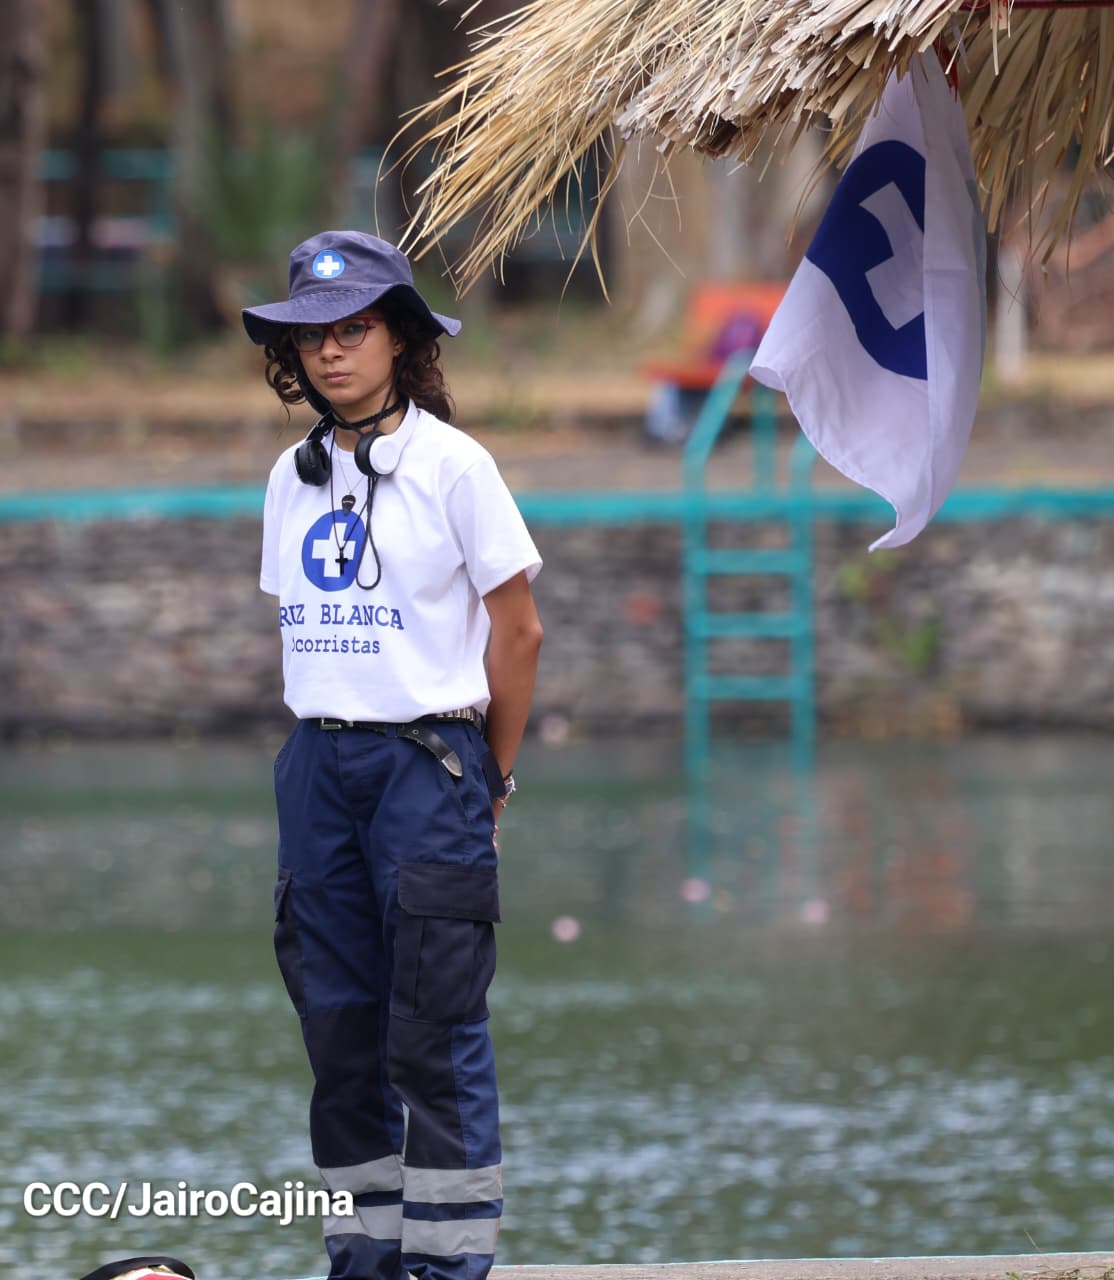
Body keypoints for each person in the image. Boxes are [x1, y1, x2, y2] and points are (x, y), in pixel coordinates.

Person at [243, 229, 543, 1280]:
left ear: (402, 338)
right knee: (337, 1037)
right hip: (317, 769)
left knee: (433, 1031)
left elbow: (519, 632)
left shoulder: (456, 466)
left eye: (354, 329)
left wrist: (491, 775)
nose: (330, 351)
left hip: (429, 765)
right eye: (311, 335)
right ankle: (362, 1260)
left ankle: (450, 1266)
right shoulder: (290, 477)